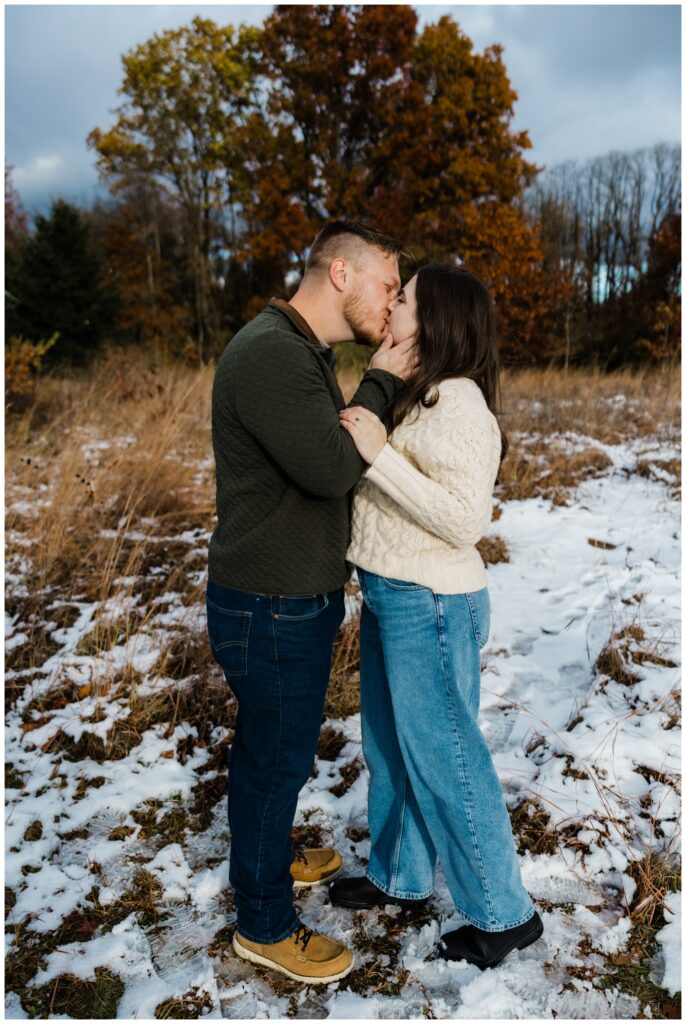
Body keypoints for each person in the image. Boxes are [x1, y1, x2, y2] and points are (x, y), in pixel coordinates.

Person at [206, 220, 418, 984]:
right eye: (388, 287)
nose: (393, 306)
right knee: (275, 758)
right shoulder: (271, 354)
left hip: (285, 595)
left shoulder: (297, 349)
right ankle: (263, 923)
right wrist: (385, 378)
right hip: (271, 602)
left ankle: (270, 852)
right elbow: (333, 467)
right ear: (341, 274)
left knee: (279, 749)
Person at [330, 262, 544, 971]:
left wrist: (378, 455)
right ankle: (402, 877)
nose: (392, 304)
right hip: (394, 594)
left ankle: (504, 915)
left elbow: (463, 519)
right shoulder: (421, 393)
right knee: (391, 745)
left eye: (407, 298)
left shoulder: (459, 404)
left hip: (433, 603)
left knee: (447, 758)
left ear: (439, 321)